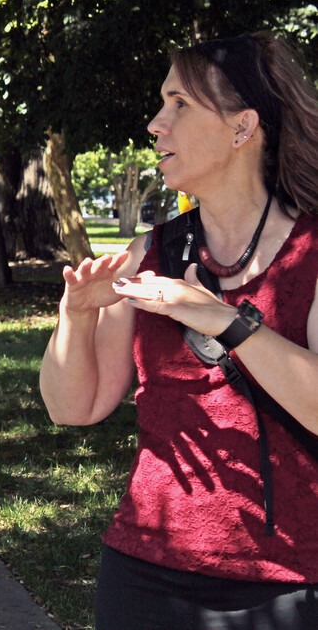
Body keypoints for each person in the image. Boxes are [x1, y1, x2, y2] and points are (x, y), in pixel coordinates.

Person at [40, 32, 318, 629]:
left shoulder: (310, 253)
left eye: (179, 104)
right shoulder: (151, 253)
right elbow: (75, 407)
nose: (154, 123)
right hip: (145, 570)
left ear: (243, 128)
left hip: (288, 579)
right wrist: (76, 313)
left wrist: (224, 320)